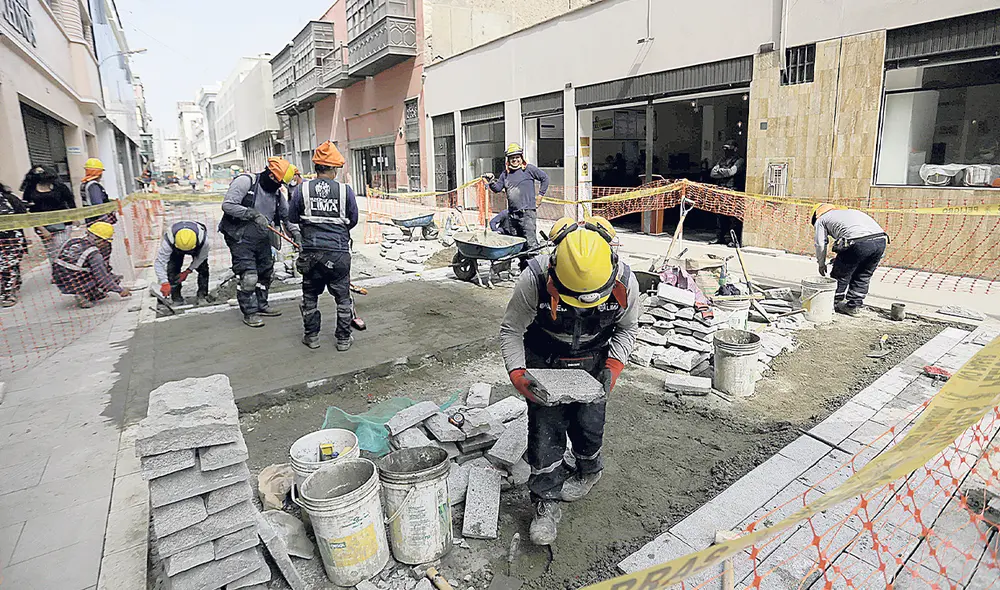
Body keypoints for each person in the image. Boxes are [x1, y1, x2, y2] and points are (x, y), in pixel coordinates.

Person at [498, 216, 640, 545]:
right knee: (545, 429)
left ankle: (589, 471)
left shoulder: (624, 283)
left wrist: (614, 365)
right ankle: (546, 503)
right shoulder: (533, 279)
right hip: (544, 360)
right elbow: (511, 330)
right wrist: (519, 374)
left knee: (589, 423)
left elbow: (628, 329)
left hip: (593, 360)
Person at [289, 141, 359, 351]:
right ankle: (343, 339)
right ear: (335, 168)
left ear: (316, 167)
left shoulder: (302, 190)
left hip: (311, 255)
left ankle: (312, 337)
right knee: (343, 298)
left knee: (310, 297)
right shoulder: (345, 191)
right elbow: (353, 220)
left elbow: (292, 217)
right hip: (338, 254)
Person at [219, 157, 299, 328]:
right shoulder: (245, 182)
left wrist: (296, 234)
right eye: (279, 182)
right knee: (249, 276)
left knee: (265, 273)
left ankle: (262, 305)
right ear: (271, 176)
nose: (280, 187)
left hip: (261, 237)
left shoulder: (277, 193)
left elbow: (287, 217)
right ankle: (250, 312)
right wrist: (252, 214)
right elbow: (227, 205)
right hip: (239, 236)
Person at [812, 204, 889, 317]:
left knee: (840, 274)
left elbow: (820, 243)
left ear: (816, 215)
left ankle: (832, 304)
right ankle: (854, 306)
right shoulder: (850, 212)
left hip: (857, 242)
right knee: (863, 275)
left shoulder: (821, 219)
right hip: (881, 241)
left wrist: (821, 263)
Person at [52, 221, 131, 308]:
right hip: (77, 281)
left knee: (104, 276)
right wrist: (120, 290)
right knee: (107, 282)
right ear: (99, 239)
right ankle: (83, 294)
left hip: (59, 279)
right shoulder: (94, 254)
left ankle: (81, 291)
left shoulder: (72, 241)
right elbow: (102, 277)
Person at [484, 143, 549, 248]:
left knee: (530, 243)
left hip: (527, 214)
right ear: (508, 160)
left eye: (517, 157)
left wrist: (540, 196)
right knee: (517, 244)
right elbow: (497, 189)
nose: (515, 160)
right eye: (512, 158)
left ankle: (533, 263)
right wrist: (491, 181)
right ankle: (522, 264)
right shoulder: (505, 174)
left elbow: (545, 178)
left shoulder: (529, 170)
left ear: (521, 158)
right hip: (512, 215)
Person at [20, 165, 76, 263]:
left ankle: (65, 272)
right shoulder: (29, 190)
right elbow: (28, 210)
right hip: (42, 226)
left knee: (61, 249)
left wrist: (74, 217)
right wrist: (41, 229)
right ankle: (57, 273)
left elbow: (71, 203)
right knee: (51, 252)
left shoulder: (60, 187)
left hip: (63, 224)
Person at [154, 221, 211, 305]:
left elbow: (201, 258)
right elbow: (159, 263)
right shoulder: (169, 241)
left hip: (196, 247)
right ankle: (176, 298)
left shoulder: (204, 242)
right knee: (173, 269)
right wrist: (164, 282)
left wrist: (188, 271)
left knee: (203, 269)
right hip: (175, 249)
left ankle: (202, 296)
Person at [710, 141, 746, 247]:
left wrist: (720, 171)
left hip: (733, 191)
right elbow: (712, 173)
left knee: (733, 217)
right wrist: (724, 171)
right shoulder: (722, 160)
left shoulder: (740, 160)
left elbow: (732, 172)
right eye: (725, 148)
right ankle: (719, 237)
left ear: (735, 149)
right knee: (720, 215)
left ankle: (734, 239)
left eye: (728, 148)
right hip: (722, 190)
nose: (726, 151)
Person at [0, 184, 29, 307]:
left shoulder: (9, 199)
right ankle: (13, 284)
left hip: (12, 239)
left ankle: (8, 294)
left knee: (8, 266)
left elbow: (25, 215)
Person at [81, 158, 117, 224]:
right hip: (97, 221)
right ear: (98, 173)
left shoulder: (85, 184)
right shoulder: (93, 186)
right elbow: (98, 204)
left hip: (90, 219)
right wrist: (105, 220)